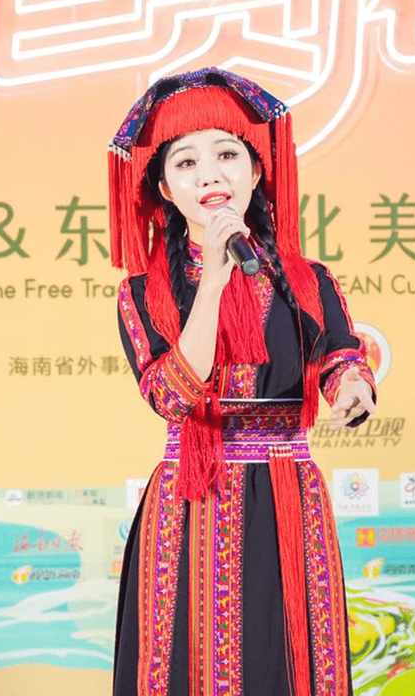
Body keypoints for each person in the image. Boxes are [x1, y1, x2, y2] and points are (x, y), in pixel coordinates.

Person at [109, 68, 376, 696]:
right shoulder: (143, 293)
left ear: (257, 171)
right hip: (192, 495)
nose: (209, 175)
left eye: (227, 155)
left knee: (284, 658)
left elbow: (341, 356)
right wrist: (214, 281)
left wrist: (352, 388)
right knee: (188, 661)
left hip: (288, 492)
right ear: (163, 188)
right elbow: (171, 395)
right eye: (186, 162)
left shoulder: (307, 278)